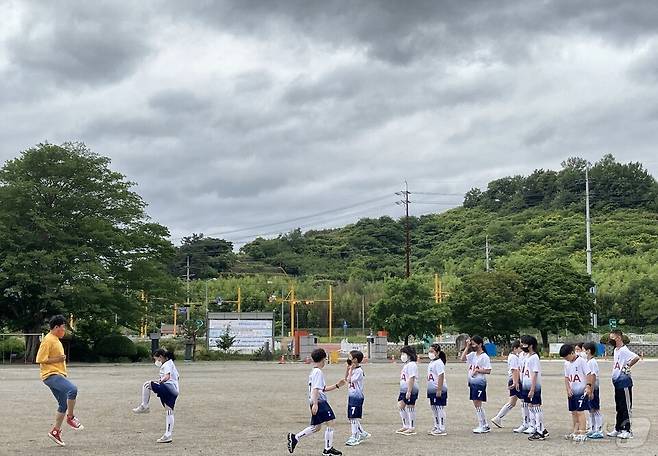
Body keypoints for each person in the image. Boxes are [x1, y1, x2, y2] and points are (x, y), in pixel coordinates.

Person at [36, 315, 84, 447]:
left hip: (57, 375)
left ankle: (55, 431)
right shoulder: (48, 340)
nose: (64, 330)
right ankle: (71, 417)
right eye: (63, 327)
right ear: (56, 327)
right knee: (72, 389)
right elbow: (40, 359)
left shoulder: (55, 339)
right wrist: (58, 359)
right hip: (51, 375)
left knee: (63, 404)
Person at [287, 348, 346, 455]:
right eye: (325, 359)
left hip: (316, 400)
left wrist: (337, 385)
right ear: (323, 359)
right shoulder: (318, 372)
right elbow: (315, 389)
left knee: (317, 427)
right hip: (319, 401)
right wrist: (315, 404)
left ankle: (295, 438)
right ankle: (328, 449)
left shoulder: (314, 371)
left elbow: (322, 388)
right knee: (331, 422)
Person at [132, 348, 180, 443]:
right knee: (169, 411)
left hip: (168, 388)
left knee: (147, 384)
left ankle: (144, 406)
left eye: (156, 359)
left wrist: (160, 381)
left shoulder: (166, 364)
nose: (156, 361)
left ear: (161, 357)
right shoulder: (170, 363)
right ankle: (168, 435)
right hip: (174, 391)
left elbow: (167, 376)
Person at [607, 330, 640, 440]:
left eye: (612, 338)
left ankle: (627, 429)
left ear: (618, 338)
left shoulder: (624, 350)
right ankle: (618, 428)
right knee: (619, 406)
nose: (610, 340)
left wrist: (627, 366)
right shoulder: (616, 350)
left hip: (624, 382)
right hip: (617, 382)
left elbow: (636, 357)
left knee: (626, 406)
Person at [560, 343, 592, 442]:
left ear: (572, 352)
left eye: (567, 357)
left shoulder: (581, 361)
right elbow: (566, 377)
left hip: (581, 391)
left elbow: (589, 374)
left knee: (580, 412)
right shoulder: (566, 364)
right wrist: (568, 389)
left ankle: (582, 432)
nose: (566, 359)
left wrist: (588, 386)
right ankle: (575, 431)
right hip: (572, 391)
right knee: (573, 412)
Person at [460, 335, 491, 434]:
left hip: (479, 382)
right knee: (476, 403)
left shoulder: (484, 356)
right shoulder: (473, 355)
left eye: (474, 344)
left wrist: (478, 370)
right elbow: (462, 358)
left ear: (480, 344)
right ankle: (483, 424)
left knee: (478, 403)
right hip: (472, 382)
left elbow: (488, 370)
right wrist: (467, 347)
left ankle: (483, 424)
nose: (473, 345)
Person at [520, 335, 548, 441]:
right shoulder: (527, 357)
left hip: (533, 386)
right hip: (526, 385)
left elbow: (535, 374)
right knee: (531, 407)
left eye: (524, 344)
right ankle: (540, 428)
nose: (522, 346)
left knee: (536, 407)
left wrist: (532, 389)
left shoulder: (534, 357)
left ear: (530, 345)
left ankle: (540, 431)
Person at [492, 340, 521, 429]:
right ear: (515, 348)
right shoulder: (513, 357)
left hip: (513, 379)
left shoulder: (514, 356)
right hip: (515, 379)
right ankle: (526, 422)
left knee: (512, 402)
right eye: (520, 348)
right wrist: (516, 382)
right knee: (524, 401)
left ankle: (498, 417)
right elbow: (514, 370)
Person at [344, 350, 370, 446]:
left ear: (355, 359)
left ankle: (355, 436)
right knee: (351, 417)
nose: (348, 359)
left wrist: (350, 370)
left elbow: (351, 379)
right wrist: (348, 369)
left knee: (354, 417)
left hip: (357, 397)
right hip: (351, 395)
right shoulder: (353, 369)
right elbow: (346, 379)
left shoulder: (359, 371)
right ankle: (362, 433)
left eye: (350, 357)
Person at [396, 345, 419, 435]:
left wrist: (409, 391)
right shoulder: (406, 365)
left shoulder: (412, 365)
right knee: (400, 405)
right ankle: (405, 425)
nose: (402, 356)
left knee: (410, 406)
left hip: (411, 388)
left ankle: (411, 427)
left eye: (404, 354)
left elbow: (411, 378)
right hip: (403, 389)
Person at [426, 343, 448, 436]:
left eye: (432, 351)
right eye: (429, 351)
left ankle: (441, 427)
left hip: (438, 388)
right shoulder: (432, 362)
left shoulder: (439, 363)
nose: (430, 353)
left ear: (437, 352)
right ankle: (436, 425)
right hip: (431, 389)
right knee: (434, 407)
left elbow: (441, 376)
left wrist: (439, 389)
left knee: (439, 408)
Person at [584, 342, 604, 439]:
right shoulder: (587, 362)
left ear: (588, 351)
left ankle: (599, 430)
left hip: (593, 388)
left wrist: (591, 390)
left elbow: (593, 376)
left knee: (595, 409)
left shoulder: (592, 362)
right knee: (590, 409)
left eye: (583, 350)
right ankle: (592, 428)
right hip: (588, 389)